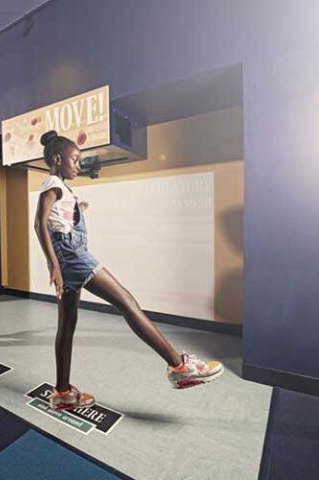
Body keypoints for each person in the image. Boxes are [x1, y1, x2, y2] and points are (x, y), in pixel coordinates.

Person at [33, 131, 224, 411]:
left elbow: (58, 220)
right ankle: (179, 366)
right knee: (127, 302)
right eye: (74, 160)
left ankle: (62, 393)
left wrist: (79, 209)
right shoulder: (52, 183)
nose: (78, 165)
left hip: (68, 256)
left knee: (67, 325)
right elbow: (40, 224)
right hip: (72, 256)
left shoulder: (62, 186)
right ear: (58, 159)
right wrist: (54, 266)